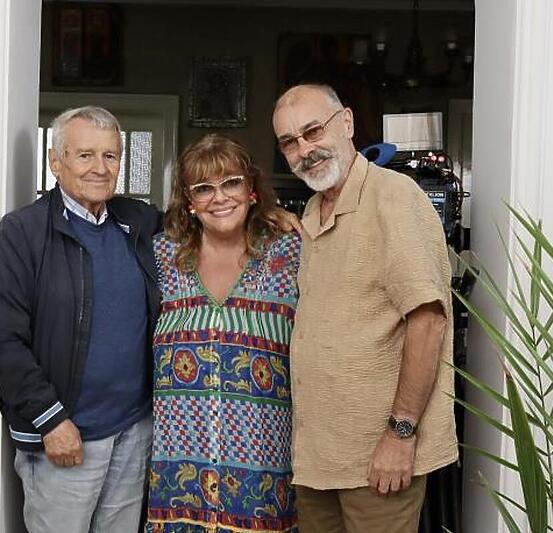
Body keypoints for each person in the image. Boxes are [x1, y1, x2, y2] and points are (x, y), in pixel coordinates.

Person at [272, 84, 456, 533]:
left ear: (348, 123)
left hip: (377, 459)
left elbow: (428, 321)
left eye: (313, 131)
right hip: (319, 459)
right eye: (289, 142)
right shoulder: (315, 209)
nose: (305, 150)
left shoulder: (394, 198)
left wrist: (401, 434)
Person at [0, 106, 161, 533]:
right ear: (55, 162)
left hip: (133, 433)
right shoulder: (21, 232)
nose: (100, 168)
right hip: (65, 434)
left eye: (111, 156)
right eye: (85, 155)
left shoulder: (140, 222)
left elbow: (206, 228)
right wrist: (51, 420)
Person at [145, 135, 300, 533]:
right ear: (189, 201)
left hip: (263, 471)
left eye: (231, 182)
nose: (219, 197)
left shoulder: (289, 254)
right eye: (204, 188)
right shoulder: (161, 257)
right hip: (179, 477)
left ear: (251, 190)